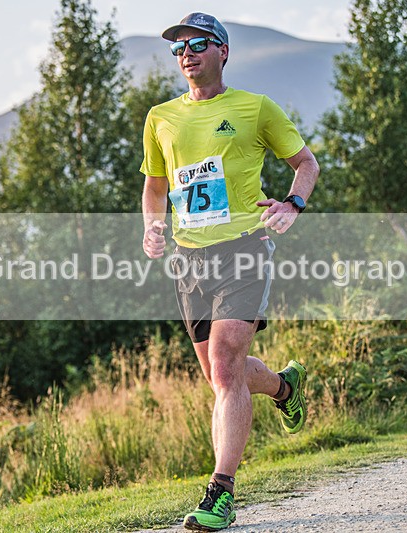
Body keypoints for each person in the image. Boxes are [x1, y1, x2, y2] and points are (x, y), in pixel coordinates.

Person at [140, 12, 320, 532]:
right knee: (223, 377)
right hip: (189, 259)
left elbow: (306, 164)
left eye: (197, 44)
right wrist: (153, 227)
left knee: (224, 367)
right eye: (178, 48)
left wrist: (292, 204)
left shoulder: (255, 107)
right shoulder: (160, 118)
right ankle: (284, 387)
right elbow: (156, 185)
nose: (186, 54)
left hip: (244, 249)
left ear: (222, 50)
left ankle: (220, 495)